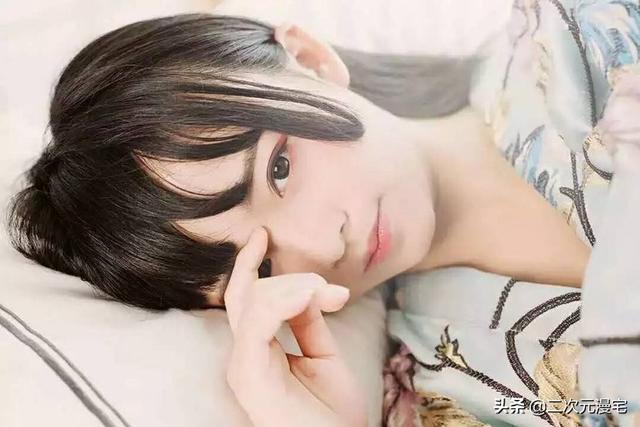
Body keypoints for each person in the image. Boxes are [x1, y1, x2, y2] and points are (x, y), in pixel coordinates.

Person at [7, 13, 638, 426]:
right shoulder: (447, 380)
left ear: (308, 58)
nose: (323, 245)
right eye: (264, 267)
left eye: (279, 168)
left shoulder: (591, 37)